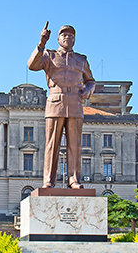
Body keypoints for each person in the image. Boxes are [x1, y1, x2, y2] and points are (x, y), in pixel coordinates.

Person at [28, 23, 95, 189]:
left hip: (75, 102)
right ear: (57, 39)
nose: (67, 37)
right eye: (64, 35)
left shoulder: (81, 59)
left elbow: (91, 80)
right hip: (55, 101)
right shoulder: (49, 55)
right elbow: (32, 65)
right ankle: (48, 181)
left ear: (75, 40)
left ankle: (74, 180)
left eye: (71, 35)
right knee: (52, 144)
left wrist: (88, 89)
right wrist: (41, 43)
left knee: (75, 145)